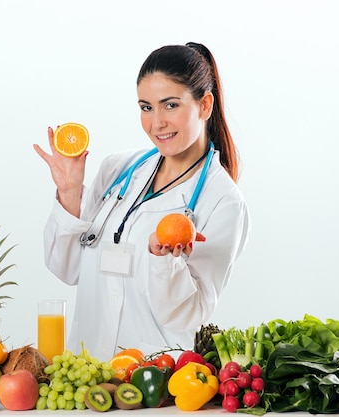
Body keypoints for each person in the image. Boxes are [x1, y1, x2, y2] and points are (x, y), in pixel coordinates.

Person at [33, 42, 250, 361]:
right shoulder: (117, 170)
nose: (156, 122)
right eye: (146, 107)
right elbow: (66, 269)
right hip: (87, 379)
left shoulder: (223, 201)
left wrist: (163, 260)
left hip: (155, 386)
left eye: (171, 105)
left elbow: (188, 315)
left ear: (204, 106)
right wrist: (69, 192)